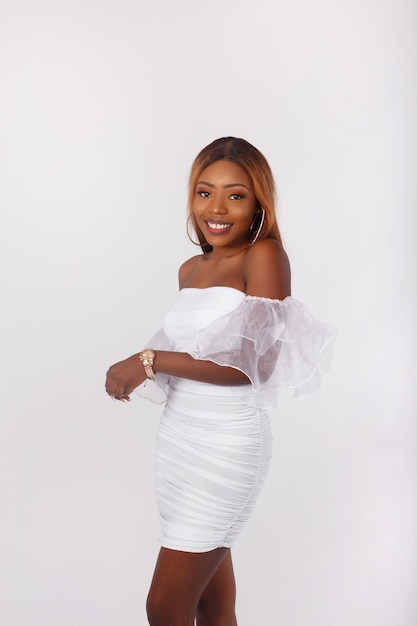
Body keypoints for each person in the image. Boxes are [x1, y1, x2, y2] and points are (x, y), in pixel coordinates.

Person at [105, 137, 335, 626]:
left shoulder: (264, 256)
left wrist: (147, 359)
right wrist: (150, 364)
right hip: (178, 443)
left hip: (227, 446)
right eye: (204, 192)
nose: (217, 208)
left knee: (164, 607)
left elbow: (249, 366)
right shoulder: (190, 269)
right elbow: (193, 353)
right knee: (211, 603)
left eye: (236, 195)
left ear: (258, 204)